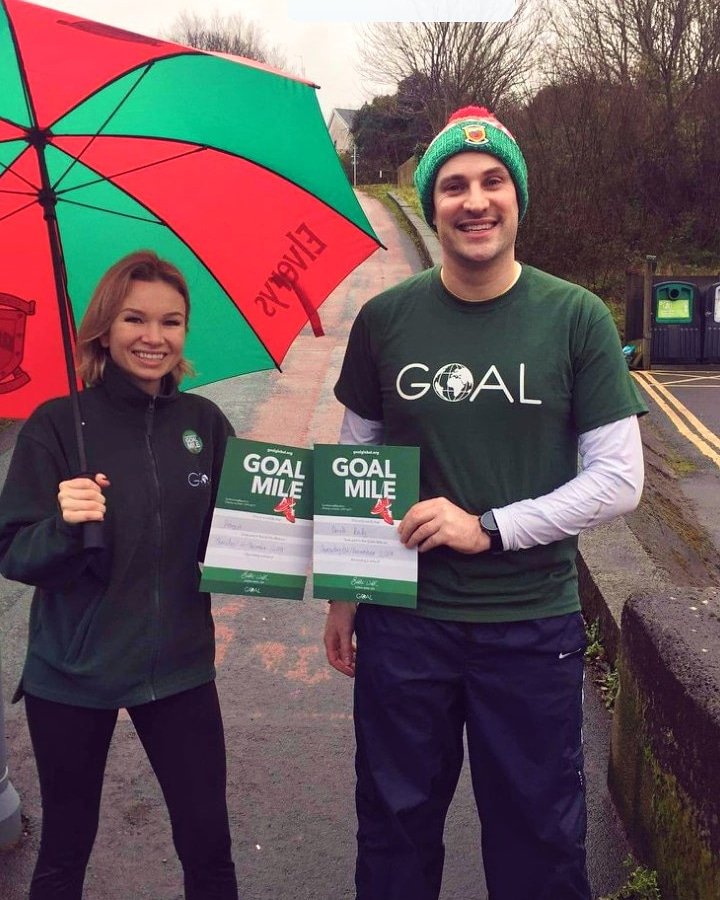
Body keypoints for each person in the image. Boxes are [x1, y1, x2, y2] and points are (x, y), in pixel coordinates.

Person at [324, 106, 647, 900]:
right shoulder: (386, 321)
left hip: (530, 629)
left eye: (492, 181)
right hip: (406, 626)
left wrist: (489, 529)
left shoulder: (574, 318)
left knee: (539, 840)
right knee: (394, 832)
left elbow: (618, 479)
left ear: (517, 197)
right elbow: (354, 456)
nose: (475, 200)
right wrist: (342, 589)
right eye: (455, 185)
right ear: (430, 206)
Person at [0, 251, 238, 899]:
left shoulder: (205, 426)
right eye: (136, 318)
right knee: (65, 850)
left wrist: (298, 527)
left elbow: (237, 540)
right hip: (73, 673)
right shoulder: (56, 425)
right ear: (105, 326)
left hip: (180, 668)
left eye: (172, 322)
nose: (154, 337)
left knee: (208, 846)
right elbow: (15, 552)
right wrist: (65, 525)